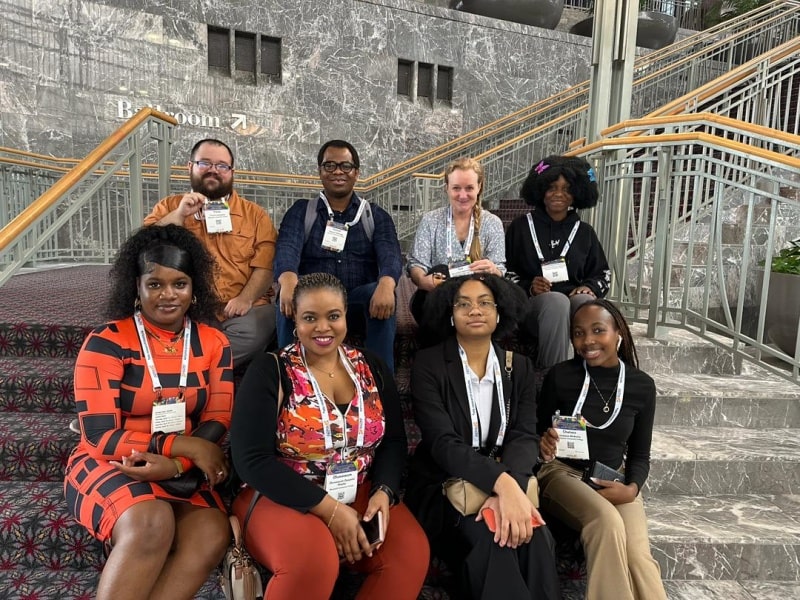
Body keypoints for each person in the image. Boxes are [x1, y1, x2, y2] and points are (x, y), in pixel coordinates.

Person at [230, 273, 429, 599]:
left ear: (346, 316)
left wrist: (384, 491)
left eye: (333, 316)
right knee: (312, 560)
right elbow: (250, 459)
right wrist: (330, 511)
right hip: (280, 491)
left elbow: (393, 441)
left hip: (358, 487)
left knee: (410, 552)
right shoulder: (271, 369)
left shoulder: (372, 366)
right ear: (294, 318)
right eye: (310, 318)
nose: (323, 328)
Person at [64, 224, 233, 600]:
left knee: (212, 531)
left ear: (194, 290)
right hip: (108, 460)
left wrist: (175, 465)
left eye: (180, 284)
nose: (168, 295)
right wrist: (180, 448)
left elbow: (218, 419)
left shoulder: (214, 342)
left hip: (180, 468)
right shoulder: (107, 342)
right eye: (155, 284)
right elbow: (99, 435)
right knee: (151, 523)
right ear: (136, 288)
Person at [404, 274, 560, 600]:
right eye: (464, 304)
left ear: (499, 312)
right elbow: (442, 443)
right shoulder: (429, 365)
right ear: (450, 314)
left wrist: (510, 489)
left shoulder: (519, 366)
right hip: (446, 485)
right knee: (495, 539)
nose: (475, 310)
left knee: (537, 535)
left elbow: (522, 434)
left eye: (484, 302)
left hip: (508, 476)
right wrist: (503, 485)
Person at [536, 298, 666, 600]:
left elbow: (640, 454)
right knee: (605, 522)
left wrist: (632, 488)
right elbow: (535, 432)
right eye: (578, 333)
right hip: (562, 474)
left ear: (618, 331)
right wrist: (543, 444)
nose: (587, 341)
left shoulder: (641, 386)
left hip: (614, 478)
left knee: (638, 556)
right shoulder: (561, 376)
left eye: (598, 330)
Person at [144, 138, 278, 366]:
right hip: (185, 308)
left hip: (241, 310)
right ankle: (201, 363)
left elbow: (265, 266)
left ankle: (182, 364)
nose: (213, 171)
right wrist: (179, 216)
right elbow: (143, 247)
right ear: (190, 167)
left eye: (222, 166)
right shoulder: (168, 207)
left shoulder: (255, 215)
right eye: (205, 163)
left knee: (256, 329)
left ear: (231, 172)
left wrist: (245, 298)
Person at [274, 140, 402, 372]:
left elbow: (390, 253)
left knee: (382, 293)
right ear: (320, 172)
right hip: (314, 300)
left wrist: (387, 282)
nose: (338, 172)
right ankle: (288, 375)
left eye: (345, 166)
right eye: (330, 166)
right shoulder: (303, 211)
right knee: (291, 294)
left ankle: (381, 384)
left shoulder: (374, 214)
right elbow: (286, 247)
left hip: (357, 301)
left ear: (356, 173)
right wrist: (288, 278)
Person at [505, 155, 610, 369]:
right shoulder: (521, 227)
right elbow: (503, 271)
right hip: (532, 307)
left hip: (572, 306)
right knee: (556, 302)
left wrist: (589, 288)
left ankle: (591, 376)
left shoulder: (584, 232)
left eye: (567, 189)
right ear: (541, 190)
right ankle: (553, 378)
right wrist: (529, 287)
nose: (559, 194)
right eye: (552, 187)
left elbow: (603, 275)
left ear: (576, 194)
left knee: (587, 305)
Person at [406, 157, 506, 324]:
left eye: (469, 188)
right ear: (446, 188)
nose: (462, 195)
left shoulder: (492, 223)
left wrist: (493, 269)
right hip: (440, 295)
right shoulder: (431, 220)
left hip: (477, 296)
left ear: (479, 187)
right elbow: (417, 264)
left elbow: (501, 268)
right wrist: (423, 280)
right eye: (456, 188)